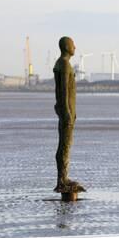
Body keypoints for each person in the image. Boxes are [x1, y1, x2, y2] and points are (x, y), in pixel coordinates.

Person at [53, 36, 85, 193]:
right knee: (66, 145)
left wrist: (61, 107)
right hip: (67, 112)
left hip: (65, 110)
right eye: (73, 44)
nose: (75, 47)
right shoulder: (65, 65)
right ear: (66, 47)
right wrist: (66, 112)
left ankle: (62, 178)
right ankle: (62, 179)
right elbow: (64, 90)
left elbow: (58, 91)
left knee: (63, 145)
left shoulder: (60, 63)